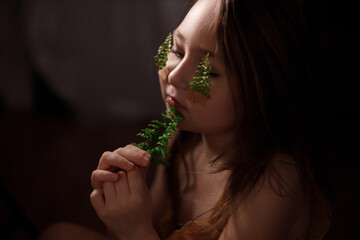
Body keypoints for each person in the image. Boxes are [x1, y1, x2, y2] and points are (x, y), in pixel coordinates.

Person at [38, 0, 332, 239]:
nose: (176, 75)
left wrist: (133, 230)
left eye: (209, 72)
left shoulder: (273, 188)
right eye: (177, 50)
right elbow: (146, 225)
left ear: (263, 94)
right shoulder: (182, 136)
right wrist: (123, 209)